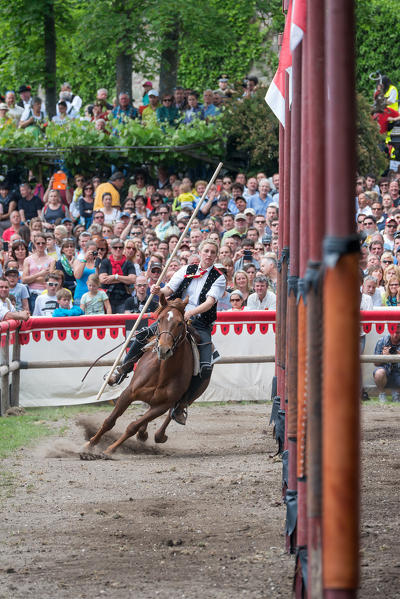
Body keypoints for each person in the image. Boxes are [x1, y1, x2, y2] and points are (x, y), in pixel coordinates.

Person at [108, 239, 226, 425]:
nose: (209, 255)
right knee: (141, 336)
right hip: (175, 316)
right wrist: (158, 290)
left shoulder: (219, 277)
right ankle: (123, 369)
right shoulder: (186, 269)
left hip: (200, 322)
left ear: (216, 255)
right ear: (200, 252)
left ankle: (181, 405)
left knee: (205, 368)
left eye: (213, 252)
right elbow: (169, 289)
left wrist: (190, 313)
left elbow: (210, 303)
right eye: (206, 251)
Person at [99, 238, 137, 313]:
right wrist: (124, 279)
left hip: (124, 298)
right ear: (111, 249)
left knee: (122, 321)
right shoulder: (105, 262)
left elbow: (133, 279)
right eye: (115, 247)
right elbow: (103, 280)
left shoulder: (128, 263)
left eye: (120, 247)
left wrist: (115, 277)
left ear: (123, 249)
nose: (118, 249)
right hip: (108, 298)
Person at [373, 324, 400, 403]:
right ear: (390, 331)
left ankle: (397, 394)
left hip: (398, 372)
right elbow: (375, 363)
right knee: (379, 373)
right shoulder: (382, 341)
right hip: (385, 371)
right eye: (393, 332)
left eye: (398, 333)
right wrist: (383, 356)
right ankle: (382, 394)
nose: (395, 335)